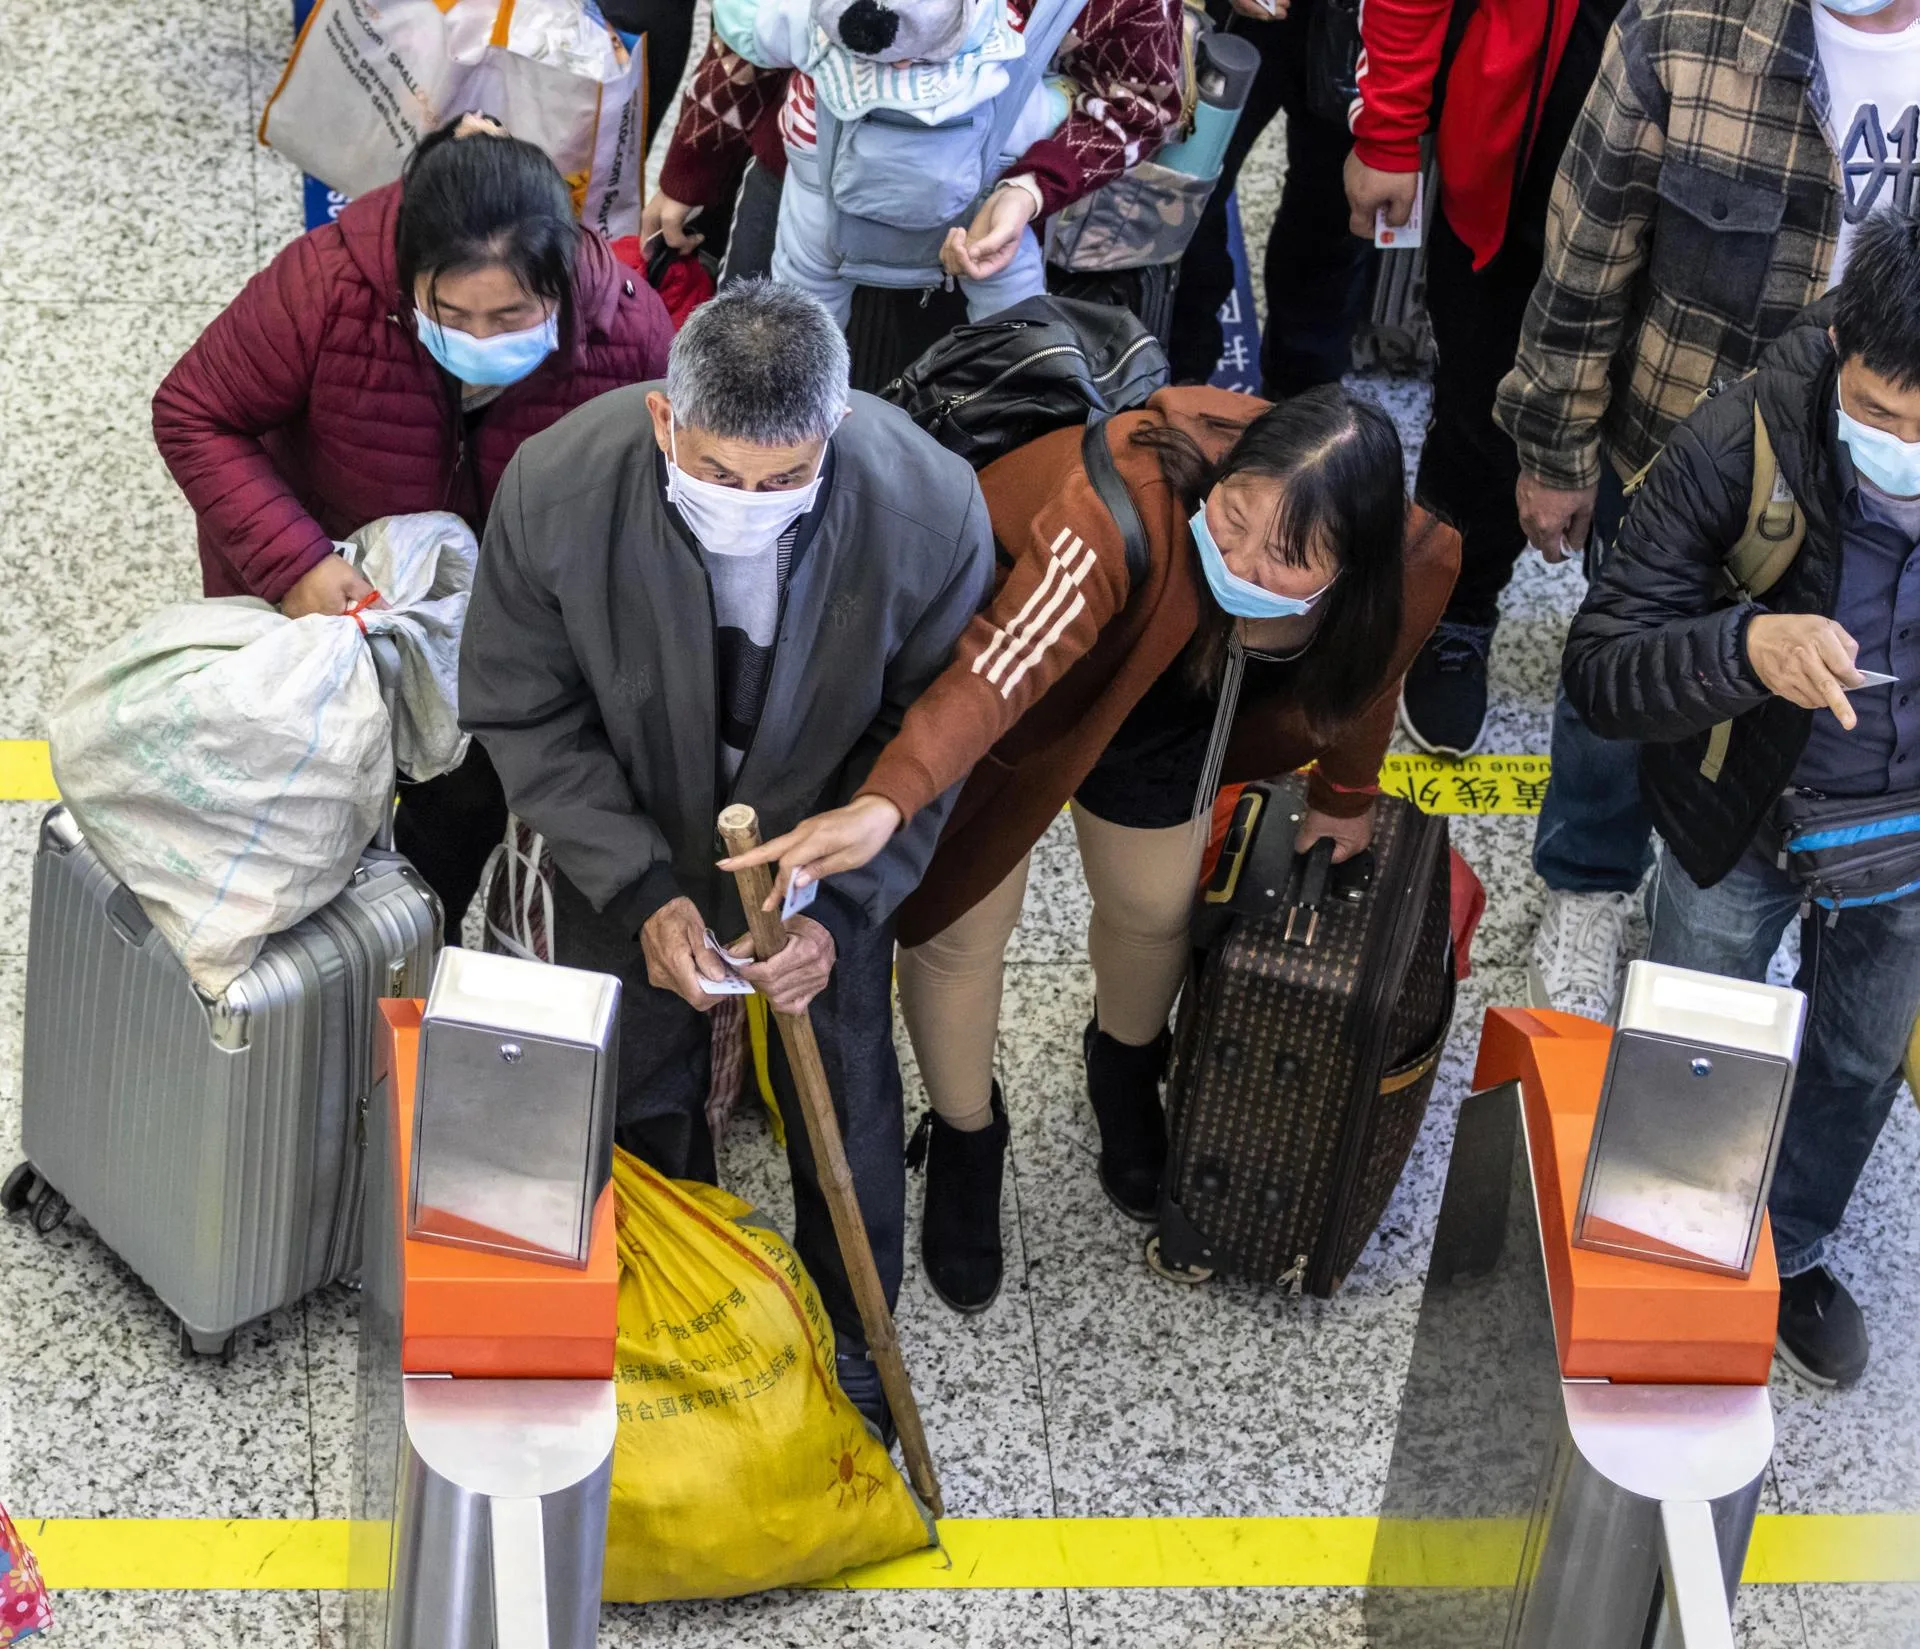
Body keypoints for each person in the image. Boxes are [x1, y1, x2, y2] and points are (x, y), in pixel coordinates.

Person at [725, 386, 1461, 1312]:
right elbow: (1002, 666)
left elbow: (1366, 667)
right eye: (1230, 519)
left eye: (1283, 560)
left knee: (1153, 905)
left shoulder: (1404, 562)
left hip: (1173, 688)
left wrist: (1346, 796)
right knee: (959, 927)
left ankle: (1123, 1065)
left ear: (1347, 568)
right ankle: (964, 1135)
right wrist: (892, 797)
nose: (1237, 560)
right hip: (1000, 679)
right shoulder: (1124, 501)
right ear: (1223, 476)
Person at [458, 280, 993, 1426]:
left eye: (786, 478)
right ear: (664, 419)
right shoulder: (558, 487)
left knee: (842, 1084)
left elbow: (927, 744)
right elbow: (524, 710)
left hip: (814, 855)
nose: (748, 501)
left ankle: (852, 1341)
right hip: (630, 829)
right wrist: (641, 884)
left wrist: (840, 914)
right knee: (637, 1069)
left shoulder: (932, 512)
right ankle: (670, 1302)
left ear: (836, 429)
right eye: (714, 472)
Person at [1495, 0, 1920, 1023]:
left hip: (1881, 473)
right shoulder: (1685, 30)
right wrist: (1557, 444)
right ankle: (1589, 881)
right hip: (1680, 456)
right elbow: (1587, 253)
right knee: (1628, 667)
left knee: (1828, 692)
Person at [152, 114, 673, 930]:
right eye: (452, 312)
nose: (477, 338)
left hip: (497, 637)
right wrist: (296, 565)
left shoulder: (629, 335)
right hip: (318, 601)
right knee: (306, 826)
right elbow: (194, 412)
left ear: (561, 282)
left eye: (509, 318)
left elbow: (650, 504)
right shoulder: (329, 286)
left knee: (454, 819)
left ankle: (408, 950)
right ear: (408, 279)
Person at [1563, 212, 1920, 1388]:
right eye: (1878, 414)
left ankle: (1796, 1244)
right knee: (1695, 1041)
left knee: (1861, 1059)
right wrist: (1747, 646)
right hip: (1745, 816)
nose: (1901, 445)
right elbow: (1603, 665)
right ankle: (1666, 1239)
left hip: (1904, 838)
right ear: (1840, 337)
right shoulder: (1742, 436)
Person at [1341, 0, 1625, 759]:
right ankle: (1455, 609)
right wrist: (1389, 128)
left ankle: (1643, 642)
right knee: (1483, 409)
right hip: (1522, 150)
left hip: (1715, 152)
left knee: (1676, 432)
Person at [641, 0, 1183, 322]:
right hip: (798, 190)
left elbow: (1140, 101)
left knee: (951, 430)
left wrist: (1032, 188)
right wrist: (694, 166)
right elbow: (758, 28)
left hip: (986, 218)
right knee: (762, 386)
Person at [1168, 0, 1377, 397]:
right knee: (1183, 196)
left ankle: (1301, 410)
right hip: (1235, 22)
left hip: (1369, 22)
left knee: (1335, 219)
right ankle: (1179, 384)